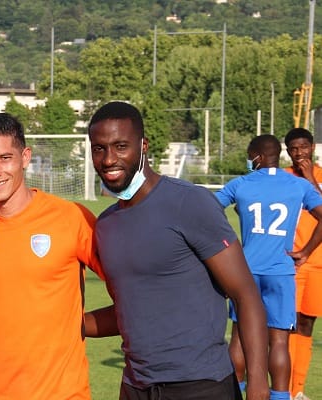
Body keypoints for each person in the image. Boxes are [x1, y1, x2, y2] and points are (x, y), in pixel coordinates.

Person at [84, 101, 270, 400]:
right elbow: (128, 312)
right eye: (99, 148)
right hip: (136, 386)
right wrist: (64, 324)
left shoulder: (189, 202)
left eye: (120, 146)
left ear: (143, 146)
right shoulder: (106, 225)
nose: (108, 159)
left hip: (200, 386)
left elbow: (245, 294)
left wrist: (258, 384)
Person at [0, 113, 104, 399]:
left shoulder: (71, 218)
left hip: (62, 394)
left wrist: (78, 324)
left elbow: (129, 291)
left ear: (25, 157)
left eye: (5, 158)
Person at [215, 134, 322, 400]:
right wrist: (305, 252)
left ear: (258, 157)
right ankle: (281, 397)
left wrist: (226, 244)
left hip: (246, 272)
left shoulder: (241, 183)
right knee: (279, 341)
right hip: (281, 271)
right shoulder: (298, 185)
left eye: (249, 157)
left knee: (239, 337)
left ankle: (235, 393)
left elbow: (208, 210)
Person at [284, 128, 322, 400]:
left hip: (318, 262)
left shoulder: (319, 175)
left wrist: (311, 179)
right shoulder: (283, 177)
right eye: (293, 149)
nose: (299, 153)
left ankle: (298, 389)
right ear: (287, 152)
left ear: (312, 148)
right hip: (291, 262)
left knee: (307, 324)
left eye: (304, 147)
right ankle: (284, 389)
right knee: (289, 324)